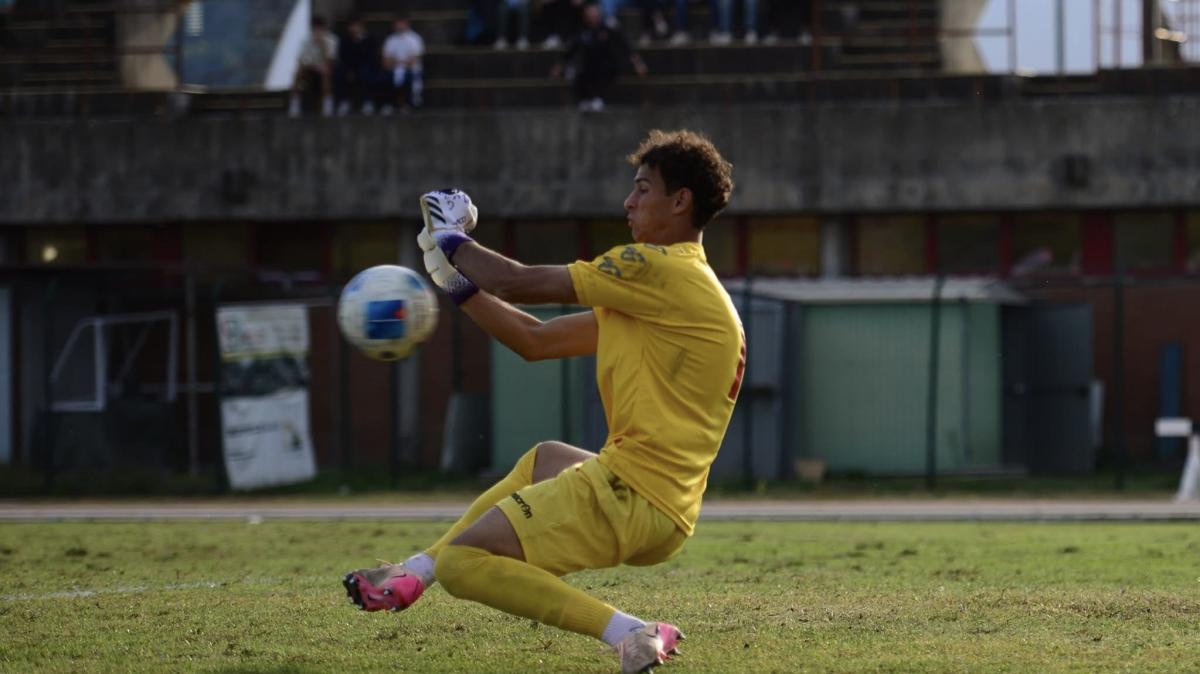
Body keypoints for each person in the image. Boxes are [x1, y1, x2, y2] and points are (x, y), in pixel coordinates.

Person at [344, 129, 743, 674]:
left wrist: (449, 233)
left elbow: (520, 282)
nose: (629, 202)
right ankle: (412, 572)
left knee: (466, 563)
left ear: (680, 201)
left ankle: (631, 633)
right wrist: (455, 281)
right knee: (545, 459)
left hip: (629, 495)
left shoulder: (658, 268)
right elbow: (534, 340)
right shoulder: (676, 291)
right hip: (668, 513)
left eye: (643, 189)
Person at [550, 1, 647, 112]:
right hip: (588, 65)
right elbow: (571, 51)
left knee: (604, 72)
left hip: (608, 65)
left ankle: (599, 98)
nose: (593, 16)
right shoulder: (583, 31)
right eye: (590, 14)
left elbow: (625, 47)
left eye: (595, 13)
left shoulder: (608, 29)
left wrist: (638, 63)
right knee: (580, 74)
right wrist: (559, 66)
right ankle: (585, 100)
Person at [288, 16, 337, 117]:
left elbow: (330, 61)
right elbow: (302, 60)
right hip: (310, 69)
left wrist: (323, 45)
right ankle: (294, 102)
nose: (317, 32)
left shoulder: (331, 40)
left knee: (325, 72)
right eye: (315, 29)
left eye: (319, 29)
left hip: (325, 70)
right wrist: (313, 66)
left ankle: (327, 104)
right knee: (298, 72)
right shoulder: (306, 41)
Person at [333, 16, 384, 115]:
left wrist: (359, 43)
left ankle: (368, 101)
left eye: (356, 26)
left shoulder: (370, 39)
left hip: (366, 67)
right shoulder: (345, 40)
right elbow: (343, 57)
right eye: (351, 26)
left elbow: (372, 57)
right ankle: (344, 101)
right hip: (350, 67)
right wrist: (349, 70)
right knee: (339, 74)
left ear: (361, 27)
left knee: (367, 73)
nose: (353, 29)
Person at [381, 16, 424, 111]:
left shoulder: (415, 39)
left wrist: (396, 62)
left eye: (402, 23)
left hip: (410, 70)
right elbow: (386, 62)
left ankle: (409, 104)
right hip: (393, 69)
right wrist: (400, 63)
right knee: (387, 77)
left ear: (407, 24)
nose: (399, 26)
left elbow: (413, 61)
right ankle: (390, 104)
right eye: (397, 23)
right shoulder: (390, 40)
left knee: (408, 77)